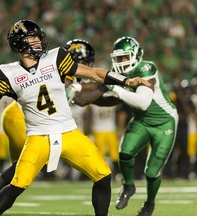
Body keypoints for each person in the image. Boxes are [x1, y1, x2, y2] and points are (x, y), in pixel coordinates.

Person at [0, 20, 148, 216]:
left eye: (38, 36)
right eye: (31, 37)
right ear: (18, 42)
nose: (38, 40)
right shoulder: (7, 73)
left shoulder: (56, 57)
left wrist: (126, 81)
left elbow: (93, 73)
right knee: (18, 184)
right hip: (36, 135)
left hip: (68, 132)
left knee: (103, 174)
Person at [71, 36, 178, 216]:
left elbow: (143, 102)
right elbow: (98, 90)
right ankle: (128, 186)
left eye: (125, 57)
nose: (121, 62)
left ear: (136, 55)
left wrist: (115, 88)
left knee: (152, 172)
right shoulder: (119, 73)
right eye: (118, 58)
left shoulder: (146, 68)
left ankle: (149, 204)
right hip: (142, 121)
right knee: (125, 152)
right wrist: (76, 89)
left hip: (164, 122)